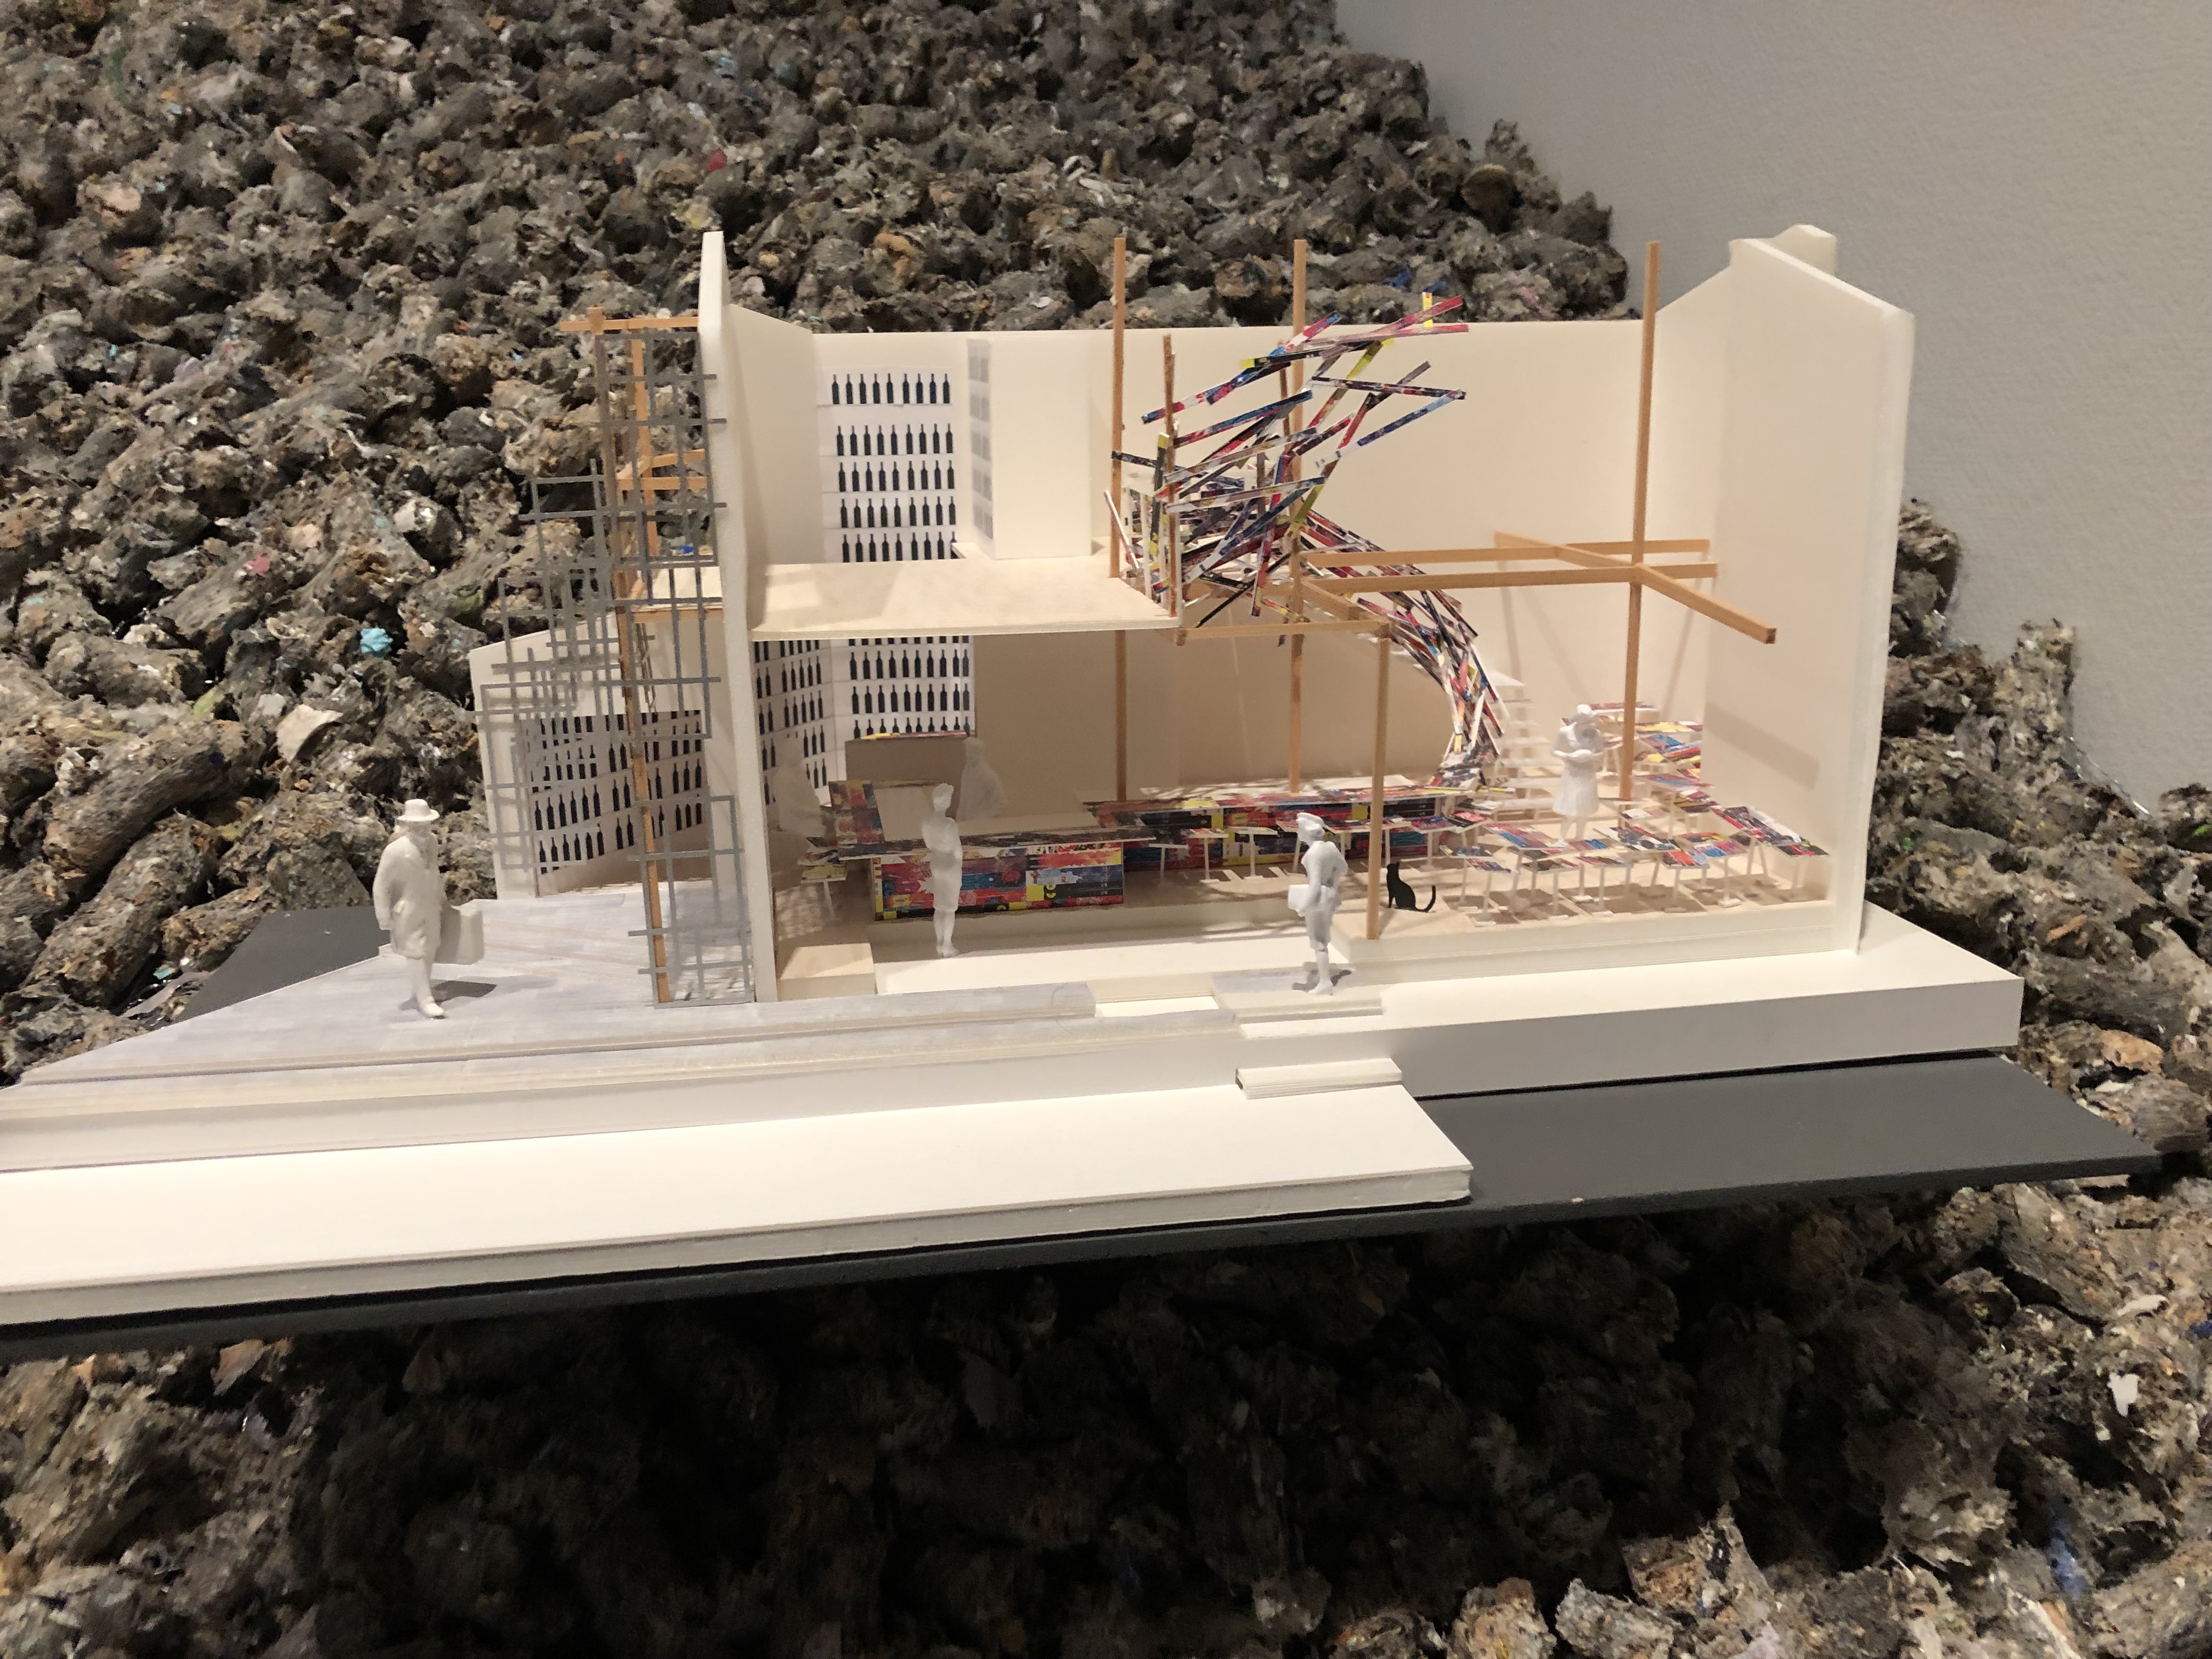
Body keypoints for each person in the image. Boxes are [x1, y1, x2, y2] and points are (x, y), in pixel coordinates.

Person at [374, 798, 449, 1019]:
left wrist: (441, 897)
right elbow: (381, 884)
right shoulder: (395, 851)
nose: (423, 829)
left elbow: (434, 871)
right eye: (418, 825)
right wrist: (383, 915)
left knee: (431, 947)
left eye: (426, 824)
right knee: (416, 952)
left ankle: (423, 989)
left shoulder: (433, 842)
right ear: (408, 825)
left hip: (430, 905)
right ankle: (425, 1000)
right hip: (408, 910)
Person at [1285, 812, 1347, 995]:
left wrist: (1303, 907)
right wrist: (1333, 885)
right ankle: (1324, 977)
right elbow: (1343, 868)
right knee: (1323, 938)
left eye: (1299, 829)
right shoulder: (1330, 847)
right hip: (1330, 896)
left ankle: (1325, 981)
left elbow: (1315, 884)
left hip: (1318, 899)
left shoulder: (1313, 854)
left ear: (1306, 831)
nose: (1298, 832)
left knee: (1318, 942)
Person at [920, 782, 965, 958]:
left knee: (939, 905)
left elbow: (929, 844)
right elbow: (957, 849)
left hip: (936, 861)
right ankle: (947, 944)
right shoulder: (949, 824)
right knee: (949, 908)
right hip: (950, 863)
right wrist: (959, 865)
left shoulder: (926, 823)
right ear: (946, 801)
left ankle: (940, 942)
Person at [1551, 704, 1606, 842]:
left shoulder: (1596, 733)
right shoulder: (1565, 732)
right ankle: (1561, 838)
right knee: (1570, 808)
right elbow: (1554, 750)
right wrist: (1569, 756)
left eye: (1588, 722)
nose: (1586, 725)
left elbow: (1601, 752)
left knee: (1584, 809)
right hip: (1572, 772)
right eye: (1583, 723)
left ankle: (1580, 837)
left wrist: (1591, 756)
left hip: (1588, 772)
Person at [957, 735, 1006, 821]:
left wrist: (983, 818)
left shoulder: (988, 774)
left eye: (972, 753)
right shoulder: (967, 771)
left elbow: (1001, 802)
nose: (969, 756)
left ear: (979, 753)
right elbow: (964, 799)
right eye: (968, 752)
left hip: (981, 822)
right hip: (967, 821)